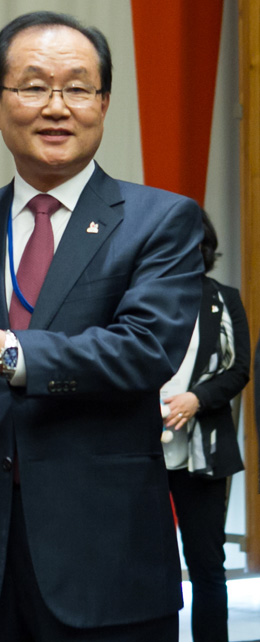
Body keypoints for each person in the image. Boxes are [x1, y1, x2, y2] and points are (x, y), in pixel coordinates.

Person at [0, 11, 204, 641]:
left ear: (105, 102)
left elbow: (145, 350)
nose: (56, 107)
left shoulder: (161, 221)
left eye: (77, 88)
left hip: (105, 562)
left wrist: (8, 353)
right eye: (34, 86)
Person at [161, 210, 250, 642]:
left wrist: (197, 399)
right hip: (140, 450)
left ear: (205, 248)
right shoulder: (140, 295)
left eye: (194, 244)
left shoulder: (222, 297)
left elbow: (240, 371)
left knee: (206, 567)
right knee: (146, 566)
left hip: (205, 451)